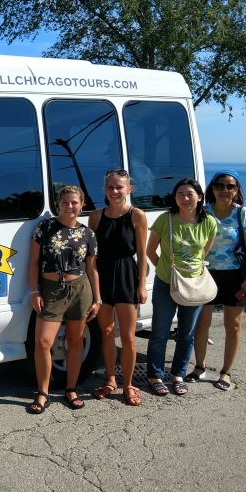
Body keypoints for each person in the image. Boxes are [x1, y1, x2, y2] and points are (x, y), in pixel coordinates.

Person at [28, 185, 101, 412]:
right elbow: (33, 263)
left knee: (76, 341)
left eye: (74, 203)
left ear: (82, 205)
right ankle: (43, 393)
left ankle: (71, 389)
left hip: (80, 290)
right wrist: (34, 291)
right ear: (58, 203)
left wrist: (97, 299)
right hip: (51, 289)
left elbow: (92, 269)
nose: (70, 207)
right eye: (66, 202)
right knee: (43, 343)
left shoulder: (88, 234)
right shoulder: (45, 227)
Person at [145, 178, 217, 396]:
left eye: (189, 194)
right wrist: (167, 270)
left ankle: (178, 375)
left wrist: (189, 273)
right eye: (180, 194)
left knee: (187, 333)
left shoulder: (209, 223)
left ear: (200, 196)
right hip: (166, 283)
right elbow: (150, 251)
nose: (185, 198)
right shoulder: (165, 220)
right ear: (174, 198)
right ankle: (155, 375)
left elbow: (204, 252)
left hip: (194, 285)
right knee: (159, 332)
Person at [190, 170, 246, 391]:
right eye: (219, 186)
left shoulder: (242, 213)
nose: (225, 190)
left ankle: (226, 372)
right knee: (201, 325)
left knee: (234, 325)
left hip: (235, 275)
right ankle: (199, 367)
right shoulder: (203, 212)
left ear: (237, 190)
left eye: (230, 186)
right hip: (206, 274)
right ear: (212, 189)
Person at [88, 169, 148, 406]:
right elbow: (91, 254)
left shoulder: (137, 215)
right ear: (105, 190)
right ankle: (111, 379)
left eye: (119, 187)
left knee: (128, 336)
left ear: (129, 189)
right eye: (110, 187)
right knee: (106, 332)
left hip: (126, 275)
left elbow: (142, 254)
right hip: (102, 275)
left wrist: (142, 285)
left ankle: (129, 383)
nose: (114, 191)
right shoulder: (96, 216)